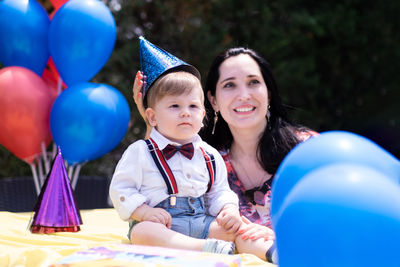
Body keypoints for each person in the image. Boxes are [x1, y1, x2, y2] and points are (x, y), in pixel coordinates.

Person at [133, 46, 317, 263]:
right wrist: (152, 121)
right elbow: (158, 189)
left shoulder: (306, 150)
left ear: (269, 93)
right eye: (229, 85)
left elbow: (334, 214)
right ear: (213, 101)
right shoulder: (207, 160)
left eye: (253, 82)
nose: (244, 95)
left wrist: (283, 237)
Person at [110, 66, 277, 260]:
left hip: (202, 221)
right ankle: (203, 248)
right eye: (175, 106)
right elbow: (121, 189)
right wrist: (144, 212)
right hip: (164, 224)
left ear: (203, 116)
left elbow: (219, 191)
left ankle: (272, 253)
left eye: (193, 106)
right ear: (152, 117)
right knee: (142, 233)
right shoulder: (140, 151)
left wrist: (228, 210)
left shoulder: (209, 155)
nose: (185, 113)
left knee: (240, 227)